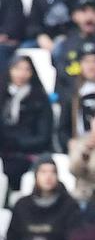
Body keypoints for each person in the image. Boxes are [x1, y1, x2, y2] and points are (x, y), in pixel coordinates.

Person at [10, 156, 81, 240]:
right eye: (43, 172)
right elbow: (11, 238)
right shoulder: (22, 205)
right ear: (36, 175)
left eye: (52, 172)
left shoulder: (69, 205)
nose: (48, 177)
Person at [0, 54, 53, 182]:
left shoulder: (40, 98)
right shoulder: (2, 94)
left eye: (27, 69)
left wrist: (18, 143)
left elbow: (44, 135)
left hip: (27, 151)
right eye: (17, 68)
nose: (21, 73)